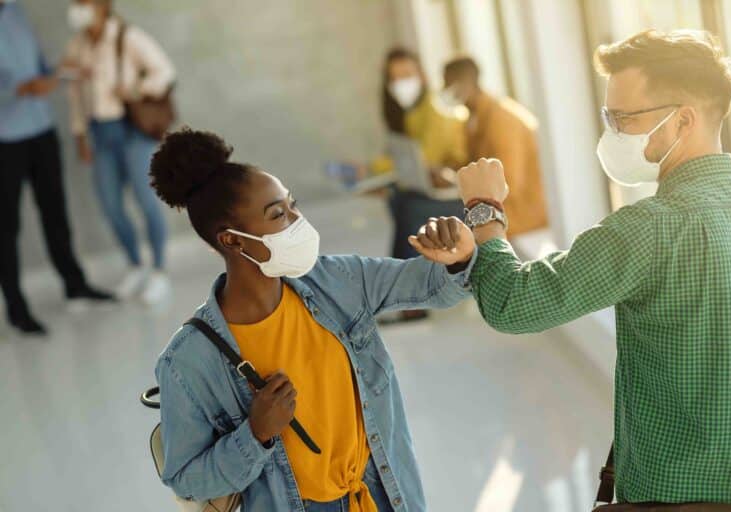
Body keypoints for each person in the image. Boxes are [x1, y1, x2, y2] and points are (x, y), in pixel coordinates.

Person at [416, 30, 731, 507]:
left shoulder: (647, 229)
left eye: (624, 118)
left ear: (684, 119)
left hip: (670, 497)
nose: (612, 133)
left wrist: (484, 210)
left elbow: (514, 305)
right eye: (609, 117)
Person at [151, 128, 476, 512]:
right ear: (232, 240)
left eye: (292, 205)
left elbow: (435, 286)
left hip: (384, 495)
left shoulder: (336, 281)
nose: (297, 221)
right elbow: (186, 479)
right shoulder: (187, 361)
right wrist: (255, 435)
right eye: (278, 214)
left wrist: (458, 252)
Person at [0, 0, 113, 336]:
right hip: (5, 140)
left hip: (42, 130)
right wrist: (15, 90)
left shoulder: (16, 11)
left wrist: (54, 75)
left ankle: (74, 284)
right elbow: (16, 84)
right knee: (7, 228)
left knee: (55, 212)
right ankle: (17, 309)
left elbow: (37, 65)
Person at [63, 0, 174, 305]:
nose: (77, 8)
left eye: (83, 2)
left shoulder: (128, 37)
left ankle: (159, 271)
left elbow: (164, 71)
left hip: (132, 131)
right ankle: (136, 265)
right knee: (111, 206)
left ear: (102, 5)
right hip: (100, 134)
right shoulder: (78, 45)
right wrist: (79, 134)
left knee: (146, 201)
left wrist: (135, 89)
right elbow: (74, 92)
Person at [376, 47, 468, 322]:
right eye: (395, 78)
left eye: (407, 74)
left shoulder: (434, 110)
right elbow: (411, 162)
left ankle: (408, 300)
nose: (402, 83)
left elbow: (426, 158)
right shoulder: (410, 112)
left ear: (422, 75)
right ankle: (403, 296)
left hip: (456, 189)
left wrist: (373, 169)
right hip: (437, 184)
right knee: (399, 198)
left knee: (408, 207)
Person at [443, 56, 548, 238]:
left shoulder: (502, 120)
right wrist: (448, 173)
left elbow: (508, 184)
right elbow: (471, 162)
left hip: (522, 214)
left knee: (441, 223)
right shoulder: (473, 117)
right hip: (495, 207)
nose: (445, 90)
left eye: (449, 84)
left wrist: (459, 184)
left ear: (466, 83)